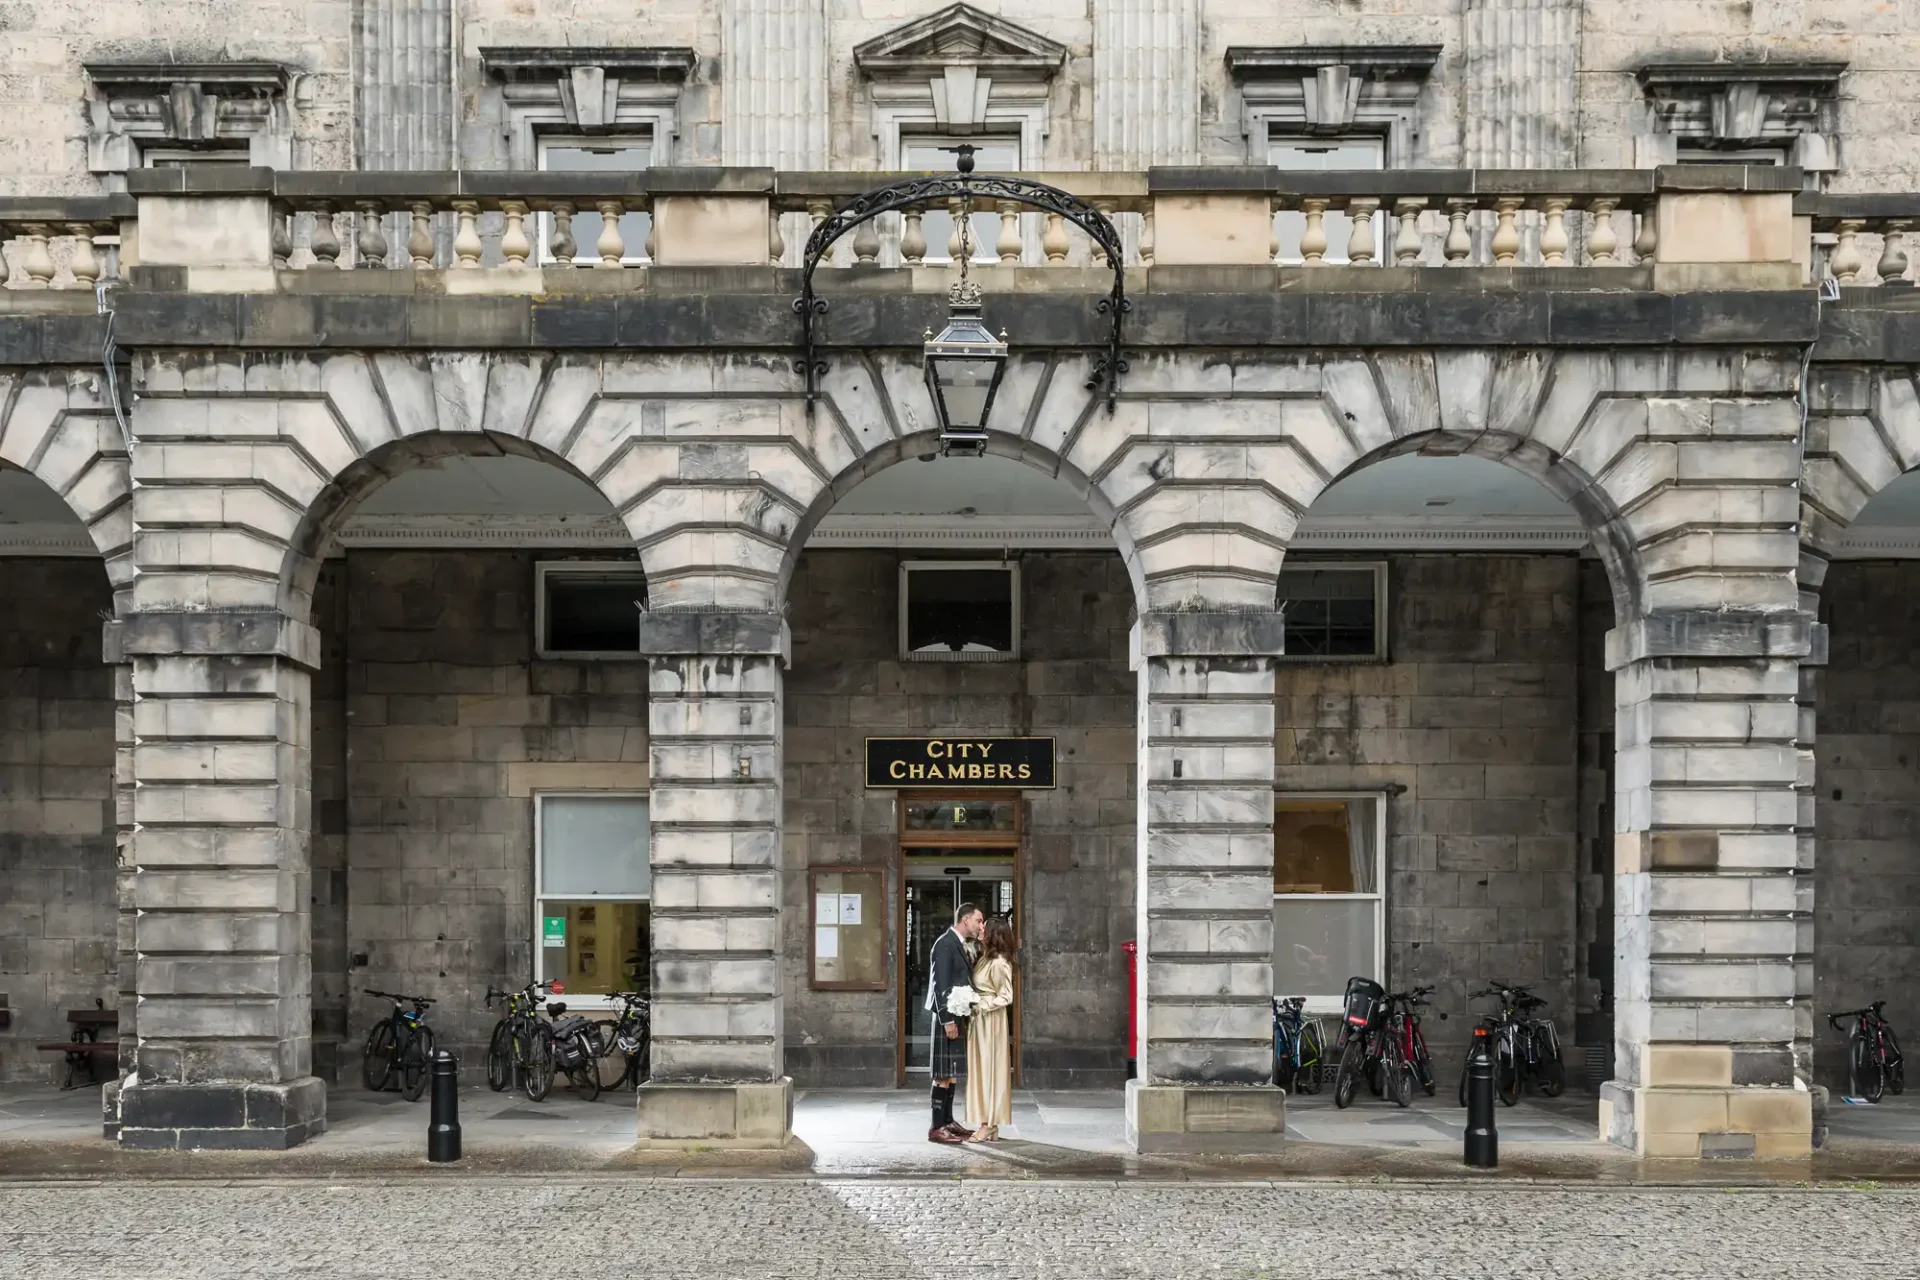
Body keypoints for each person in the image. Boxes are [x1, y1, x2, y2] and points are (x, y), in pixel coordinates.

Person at [927, 902, 984, 1144]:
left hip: (955, 1015)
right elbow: (940, 984)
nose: (980, 925)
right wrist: (947, 1019)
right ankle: (936, 1127)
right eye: (978, 921)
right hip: (946, 1017)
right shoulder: (945, 943)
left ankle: (948, 1121)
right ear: (965, 920)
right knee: (942, 1074)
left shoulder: (961, 944)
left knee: (951, 1074)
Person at [965, 915, 1016, 1142]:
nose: (980, 929)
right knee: (981, 1070)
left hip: (991, 1022)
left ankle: (988, 1123)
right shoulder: (985, 958)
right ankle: (988, 1123)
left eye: (984, 928)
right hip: (980, 1021)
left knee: (989, 1069)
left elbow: (1006, 996)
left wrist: (982, 1004)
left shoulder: (999, 963)